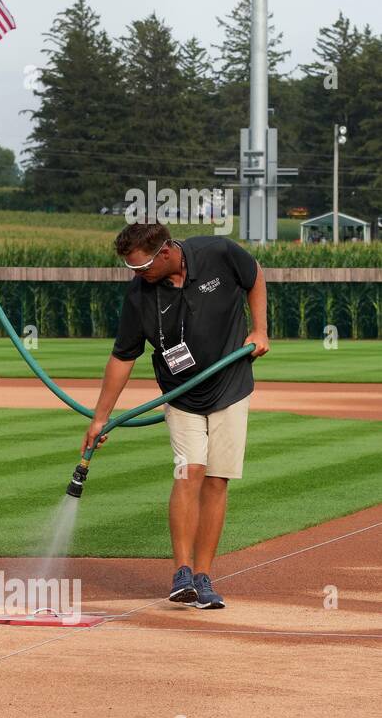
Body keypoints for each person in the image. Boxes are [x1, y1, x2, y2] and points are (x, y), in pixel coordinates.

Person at [83, 222, 267, 609]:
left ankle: (203, 576)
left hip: (231, 387)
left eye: (142, 266)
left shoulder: (218, 253)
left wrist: (260, 329)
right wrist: (100, 418)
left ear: (166, 252)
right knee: (190, 472)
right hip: (180, 396)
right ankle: (181, 573)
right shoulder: (140, 294)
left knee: (216, 480)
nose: (137, 275)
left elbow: (255, 276)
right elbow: (123, 356)